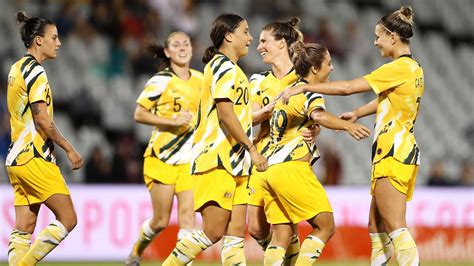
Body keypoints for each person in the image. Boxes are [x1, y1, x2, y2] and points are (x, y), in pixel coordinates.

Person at [281, 6, 423, 265]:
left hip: (393, 151)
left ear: (393, 38)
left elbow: (348, 87)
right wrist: (358, 112)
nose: (375, 41)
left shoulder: (397, 67)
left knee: (395, 225)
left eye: (378, 36)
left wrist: (306, 87)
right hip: (399, 150)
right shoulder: (413, 68)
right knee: (376, 226)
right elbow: (386, 100)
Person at [162, 14, 268, 266]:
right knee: (213, 231)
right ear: (229, 36)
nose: (250, 38)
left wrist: (264, 114)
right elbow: (225, 115)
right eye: (245, 31)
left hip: (236, 163)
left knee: (234, 237)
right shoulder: (223, 67)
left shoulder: (233, 69)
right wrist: (252, 148)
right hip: (218, 159)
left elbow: (237, 117)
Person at [262, 41, 370, 265]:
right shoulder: (309, 91)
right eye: (328, 64)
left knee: (281, 235)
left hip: (271, 171)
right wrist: (348, 126)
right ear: (314, 69)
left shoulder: (287, 91)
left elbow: (305, 121)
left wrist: (313, 128)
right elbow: (318, 115)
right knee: (326, 226)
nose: (331, 68)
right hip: (292, 168)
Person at [6, 11, 83, 266]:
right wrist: (69, 149)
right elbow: (42, 119)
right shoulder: (36, 72)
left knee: (24, 227)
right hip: (34, 156)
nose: (59, 43)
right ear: (38, 40)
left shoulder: (16, 69)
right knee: (68, 218)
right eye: (54, 37)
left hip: (16, 158)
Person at [126, 31, 202, 266]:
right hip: (162, 159)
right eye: (176, 44)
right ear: (167, 52)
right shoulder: (161, 80)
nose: (182, 47)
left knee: (188, 217)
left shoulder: (202, 80)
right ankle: (136, 252)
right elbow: (139, 114)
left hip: (190, 160)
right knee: (160, 221)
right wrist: (173, 121)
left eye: (186, 43)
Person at [247, 17, 318, 265]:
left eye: (264, 41)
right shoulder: (258, 80)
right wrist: (270, 110)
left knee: (281, 231)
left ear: (282, 43)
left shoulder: (302, 81)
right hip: (262, 158)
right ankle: (290, 249)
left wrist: (315, 129)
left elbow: (315, 115)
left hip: (289, 159)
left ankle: (284, 252)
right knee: (256, 229)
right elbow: (251, 118)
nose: (259, 47)